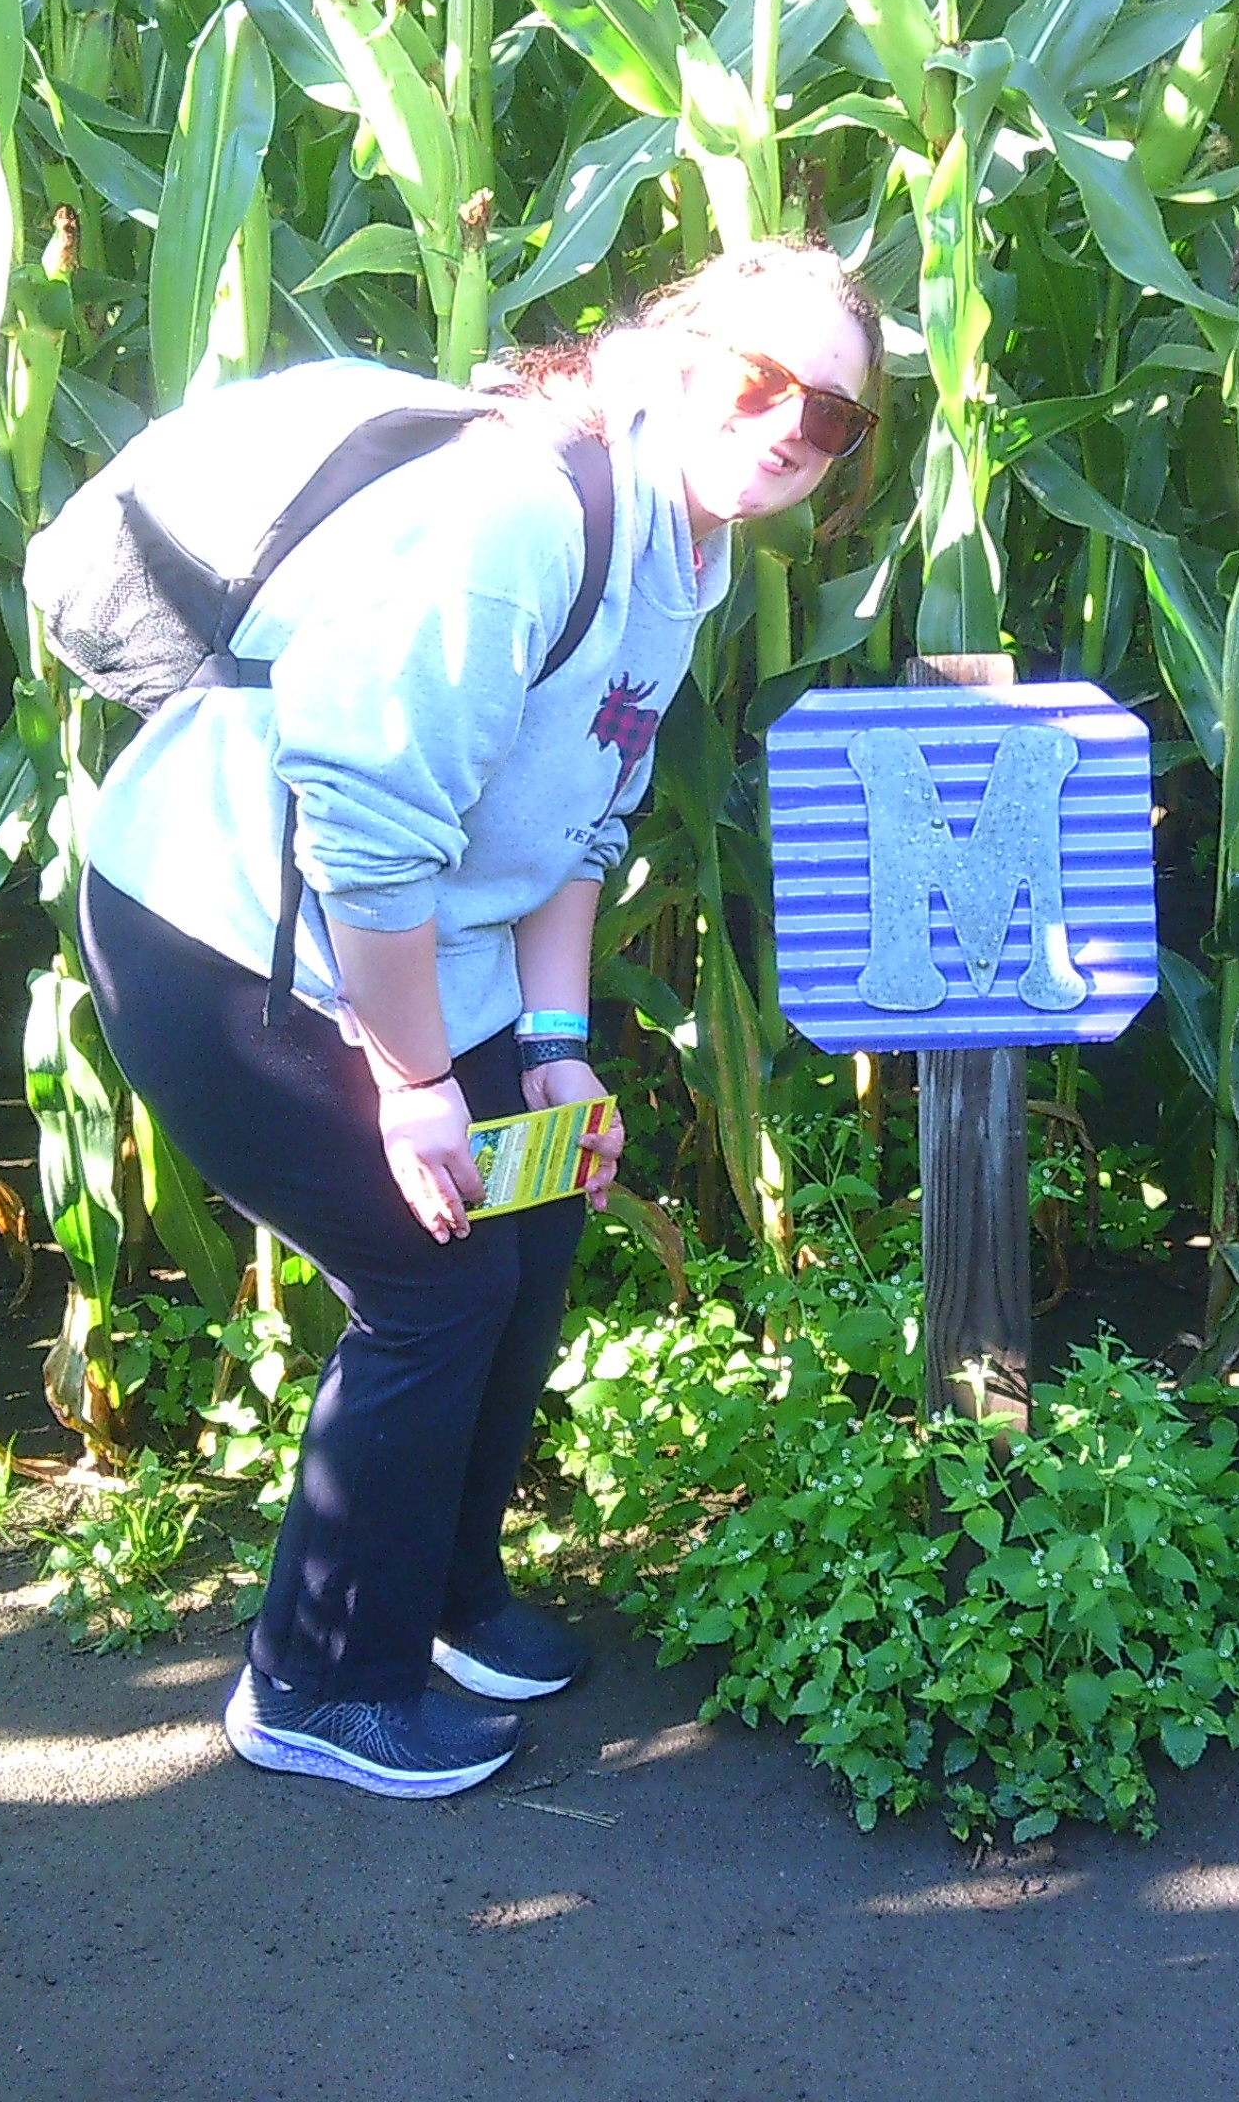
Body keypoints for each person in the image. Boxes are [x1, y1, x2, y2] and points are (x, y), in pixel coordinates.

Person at [77, 240, 882, 1798]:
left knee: (535, 1234)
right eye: (758, 376)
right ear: (671, 350)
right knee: (431, 1277)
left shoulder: (682, 546)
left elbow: (584, 818)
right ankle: (317, 1684)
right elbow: (361, 830)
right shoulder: (519, 515)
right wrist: (417, 1084)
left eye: (831, 417)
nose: (787, 423)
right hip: (231, 935)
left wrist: (557, 1045)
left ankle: (438, 1601)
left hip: (423, 941)